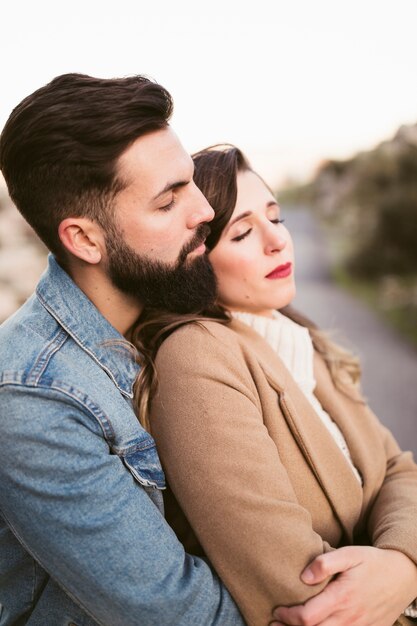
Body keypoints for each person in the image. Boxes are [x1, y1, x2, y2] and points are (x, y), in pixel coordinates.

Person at [131, 145, 417, 626]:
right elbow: (300, 590)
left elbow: (397, 470)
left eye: (276, 218)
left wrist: (404, 566)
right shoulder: (196, 355)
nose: (277, 241)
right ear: (195, 258)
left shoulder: (300, 340)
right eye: (242, 232)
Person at [0, 75, 247, 625]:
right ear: (85, 240)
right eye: (168, 202)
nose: (205, 210)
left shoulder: (169, 308)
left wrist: (399, 564)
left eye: (190, 183)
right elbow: (183, 617)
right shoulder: (34, 400)